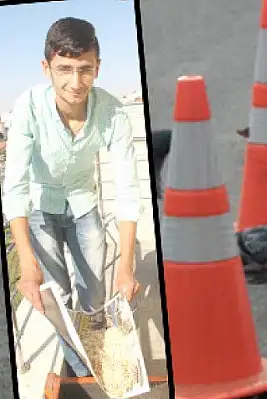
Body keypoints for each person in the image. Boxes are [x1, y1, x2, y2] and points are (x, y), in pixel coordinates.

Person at [2, 17, 142, 377]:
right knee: (57, 297)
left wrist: (126, 266)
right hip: (39, 210)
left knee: (94, 294)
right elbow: (14, 188)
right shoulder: (28, 107)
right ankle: (81, 369)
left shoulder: (112, 113)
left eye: (85, 70)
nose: (75, 83)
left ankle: (96, 353)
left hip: (84, 205)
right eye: (64, 69)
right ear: (46, 67)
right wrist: (28, 263)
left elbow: (127, 190)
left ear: (98, 68)